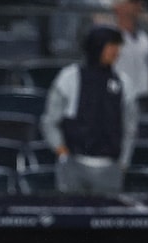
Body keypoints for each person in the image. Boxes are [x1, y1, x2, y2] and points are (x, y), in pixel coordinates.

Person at [40, 25, 138, 197]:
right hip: (74, 165)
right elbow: (50, 120)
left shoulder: (123, 82)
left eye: (117, 46)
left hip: (109, 167)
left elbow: (130, 127)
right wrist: (61, 152)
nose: (117, 51)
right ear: (97, 46)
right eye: (112, 45)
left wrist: (123, 163)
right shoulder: (70, 78)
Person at [109, 0, 148, 97]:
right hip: (117, 99)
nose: (137, 6)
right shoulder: (108, 39)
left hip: (142, 100)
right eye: (132, 2)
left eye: (138, 3)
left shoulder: (146, 40)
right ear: (118, 7)